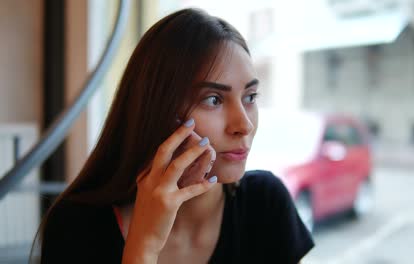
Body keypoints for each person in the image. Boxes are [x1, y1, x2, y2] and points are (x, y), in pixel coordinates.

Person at [36, 8, 314, 263]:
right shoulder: (76, 226)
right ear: (158, 110)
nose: (244, 124)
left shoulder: (265, 204)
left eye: (250, 97)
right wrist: (144, 246)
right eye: (214, 100)